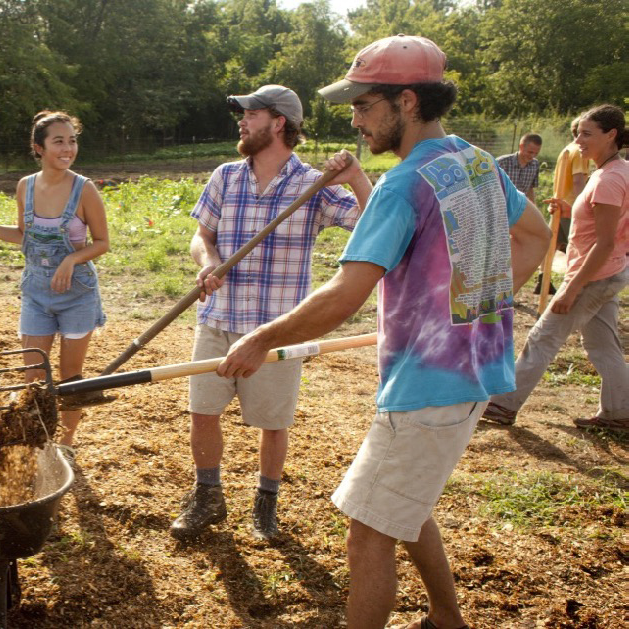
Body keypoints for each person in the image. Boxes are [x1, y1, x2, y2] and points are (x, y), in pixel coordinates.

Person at [218, 35, 550, 628]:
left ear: (407, 101)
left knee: (368, 529)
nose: (356, 121)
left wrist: (262, 338)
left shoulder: (402, 183)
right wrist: (475, 307)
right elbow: (536, 236)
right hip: (474, 371)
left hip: (429, 385)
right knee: (404, 504)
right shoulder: (474, 161)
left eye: (364, 105)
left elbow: (346, 293)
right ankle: (447, 619)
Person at [170, 85, 372, 542]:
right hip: (219, 318)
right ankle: (208, 497)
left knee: (273, 422)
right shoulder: (226, 176)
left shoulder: (313, 185)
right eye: (242, 114)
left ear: (279, 122)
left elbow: (372, 222)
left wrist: (358, 178)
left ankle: (266, 505)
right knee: (202, 411)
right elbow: (202, 235)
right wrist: (207, 263)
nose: (241, 121)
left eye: (251, 114)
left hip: (276, 330)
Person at [0, 111, 109, 467]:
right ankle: (36, 439)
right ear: (38, 148)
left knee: (70, 375)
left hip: (76, 293)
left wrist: (70, 260)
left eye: (72, 140)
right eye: (59, 141)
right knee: (32, 375)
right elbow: (24, 237)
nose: (68, 148)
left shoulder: (84, 189)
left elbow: (102, 243)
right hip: (36, 293)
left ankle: (67, 442)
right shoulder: (25, 186)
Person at [482, 104, 629, 431]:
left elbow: (603, 242)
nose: (579, 140)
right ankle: (621, 412)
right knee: (603, 344)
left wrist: (573, 287)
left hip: (593, 275)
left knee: (543, 338)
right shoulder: (618, 172)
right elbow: (612, 224)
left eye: (587, 134)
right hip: (611, 271)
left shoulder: (608, 179)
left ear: (612, 135)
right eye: (577, 133)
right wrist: (568, 208)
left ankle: (502, 406)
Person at [534, 119, 593, 295]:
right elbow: (577, 181)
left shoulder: (567, 149)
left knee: (552, 244)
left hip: (558, 204)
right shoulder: (579, 152)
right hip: (570, 207)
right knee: (578, 248)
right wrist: (584, 205)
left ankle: (543, 278)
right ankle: (575, 285)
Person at [496, 133, 542, 199]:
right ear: (521, 146)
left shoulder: (535, 165)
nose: (532, 156)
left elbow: (530, 189)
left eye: (536, 153)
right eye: (530, 152)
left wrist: (534, 206)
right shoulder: (502, 163)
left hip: (521, 206)